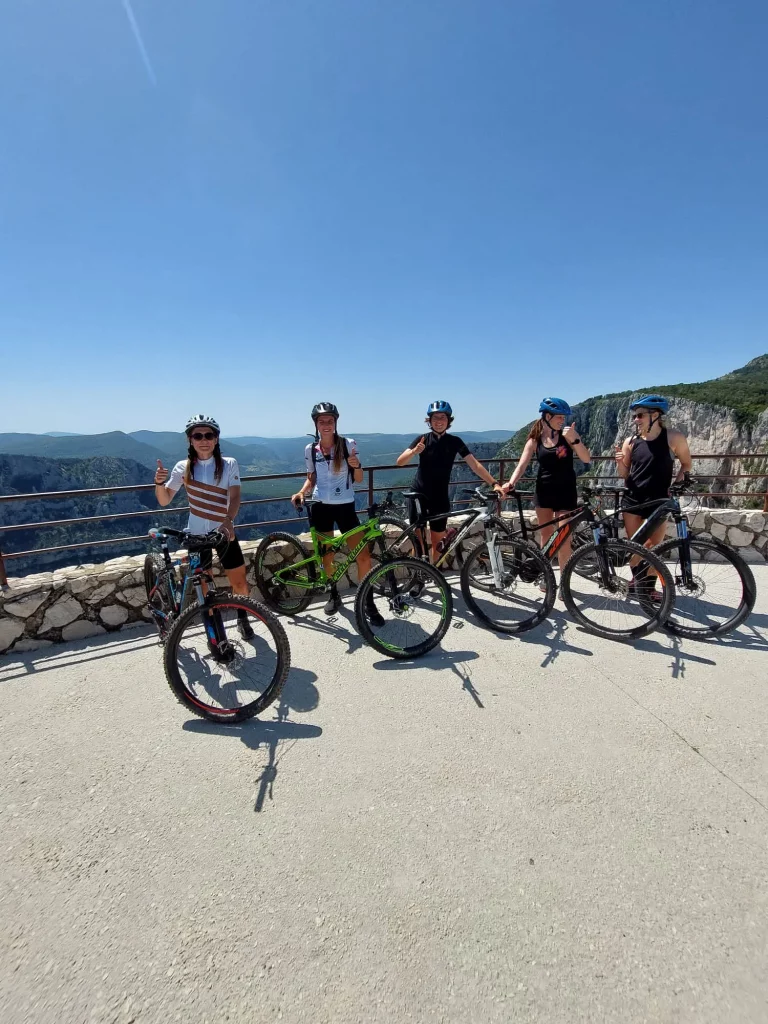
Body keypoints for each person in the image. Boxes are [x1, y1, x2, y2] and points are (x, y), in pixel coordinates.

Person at [153, 414, 253, 638]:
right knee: (204, 589)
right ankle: (213, 628)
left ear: (216, 439)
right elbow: (164, 499)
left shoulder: (229, 464)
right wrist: (159, 482)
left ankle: (243, 618)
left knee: (240, 584)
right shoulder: (183, 467)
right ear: (190, 440)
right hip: (197, 536)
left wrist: (228, 520)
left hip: (223, 533)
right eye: (197, 435)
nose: (203, 439)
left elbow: (235, 497)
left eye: (209, 434)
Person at [291, 403, 383, 623]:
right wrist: (302, 491)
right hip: (320, 506)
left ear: (335, 423)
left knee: (363, 556)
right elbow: (311, 477)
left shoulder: (348, 444)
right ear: (315, 424)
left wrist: (357, 465)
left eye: (330, 421)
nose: (326, 425)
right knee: (327, 557)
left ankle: (367, 602)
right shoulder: (309, 450)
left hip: (345, 507)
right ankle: (333, 594)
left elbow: (359, 479)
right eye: (321, 421)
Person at [396, 401, 503, 562]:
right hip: (418, 495)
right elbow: (400, 461)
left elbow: (474, 465)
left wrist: (494, 483)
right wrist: (414, 451)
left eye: (443, 417)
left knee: (438, 540)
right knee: (418, 540)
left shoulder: (455, 441)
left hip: (439, 497)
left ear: (448, 421)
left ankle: (434, 572)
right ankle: (417, 574)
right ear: (429, 421)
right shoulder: (422, 439)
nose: (439, 421)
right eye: (435, 418)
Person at [502, 398, 591, 575]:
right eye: (559, 417)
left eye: (563, 417)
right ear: (547, 416)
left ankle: (565, 580)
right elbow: (521, 465)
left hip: (566, 492)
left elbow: (586, 459)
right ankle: (546, 575)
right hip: (544, 493)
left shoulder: (569, 436)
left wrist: (575, 440)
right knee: (547, 536)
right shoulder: (535, 440)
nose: (562, 420)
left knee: (564, 538)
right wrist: (510, 483)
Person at [615, 395, 692, 597]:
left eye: (640, 415)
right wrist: (619, 462)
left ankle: (647, 587)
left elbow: (686, 464)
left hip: (659, 501)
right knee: (635, 545)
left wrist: (677, 485)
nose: (636, 420)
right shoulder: (631, 441)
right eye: (635, 416)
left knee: (653, 547)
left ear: (656, 415)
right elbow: (625, 474)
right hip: (632, 499)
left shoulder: (673, 438)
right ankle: (639, 583)